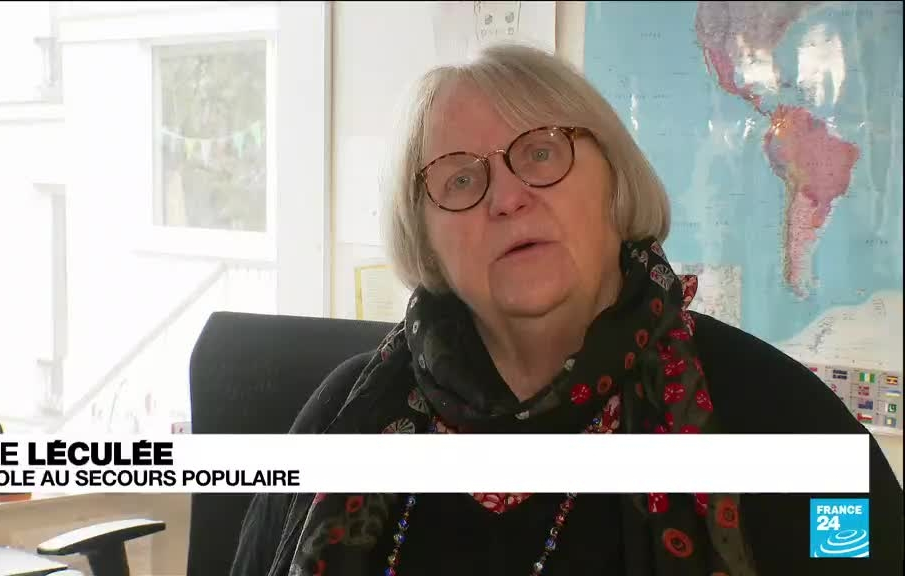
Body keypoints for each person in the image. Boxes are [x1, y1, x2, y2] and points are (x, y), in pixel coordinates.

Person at [232, 44, 902, 576]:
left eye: (542, 152)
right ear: (425, 239)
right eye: (461, 179)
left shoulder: (786, 422)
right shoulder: (343, 417)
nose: (507, 198)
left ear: (615, 182)